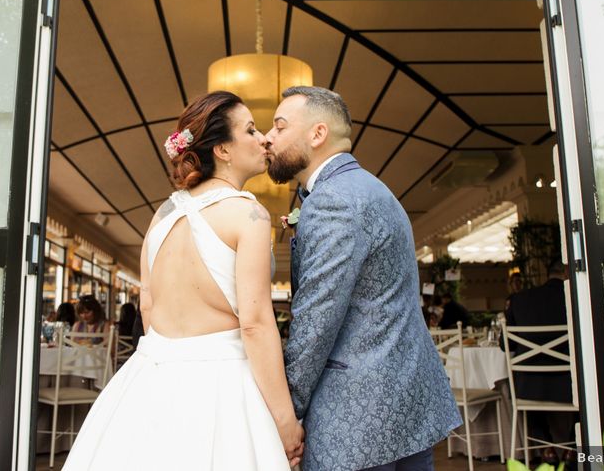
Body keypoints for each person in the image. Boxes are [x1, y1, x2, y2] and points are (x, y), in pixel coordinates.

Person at [62, 91, 301, 470]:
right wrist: (285, 420)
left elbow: (148, 304)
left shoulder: (162, 215)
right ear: (222, 149)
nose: (263, 139)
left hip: (149, 376)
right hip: (222, 381)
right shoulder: (248, 214)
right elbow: (255, 325)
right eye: (251, 130)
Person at [264, 86, 461, 471]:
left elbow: (316, 320)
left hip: (356, 420)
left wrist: (285, 414)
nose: (269, 137)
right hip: (408, 408)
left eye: (280, 126)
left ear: (317, 134)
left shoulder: (333, 199)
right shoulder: (374, 189)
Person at [505, 260, 575, 464]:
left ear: (547, 274)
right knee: (587, 379)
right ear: (566, 273)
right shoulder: (575, 296)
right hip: (569, 385)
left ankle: (545, 446)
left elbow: (505, 344)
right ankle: (571, 446)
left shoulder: (520, 300)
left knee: (524, 381)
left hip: (529, 388)